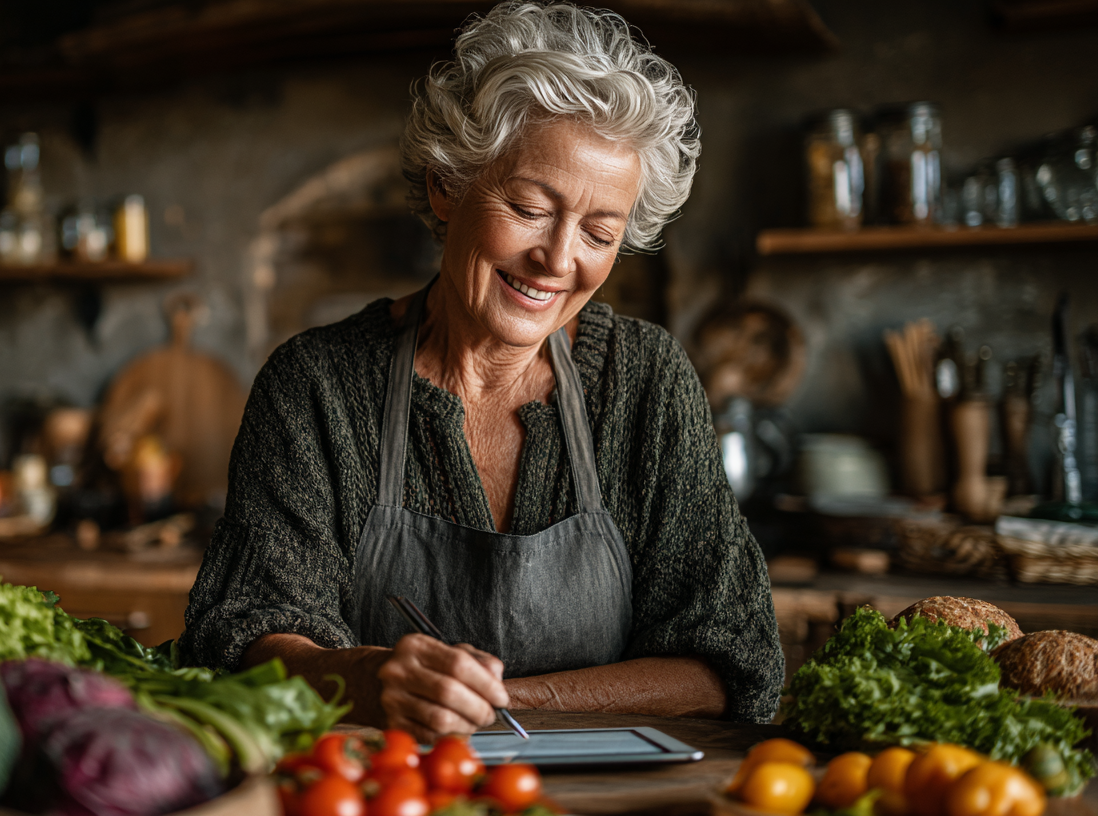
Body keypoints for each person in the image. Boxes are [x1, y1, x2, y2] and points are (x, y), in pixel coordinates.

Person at [183, 1, 782, 742]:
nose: (560, 260)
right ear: (446, 184)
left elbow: (728, 662)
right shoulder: (318, 385)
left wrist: (495, 702)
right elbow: (244, 641)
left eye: (600, 232)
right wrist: (367, 682)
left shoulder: (646, 379)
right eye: (530, 208)